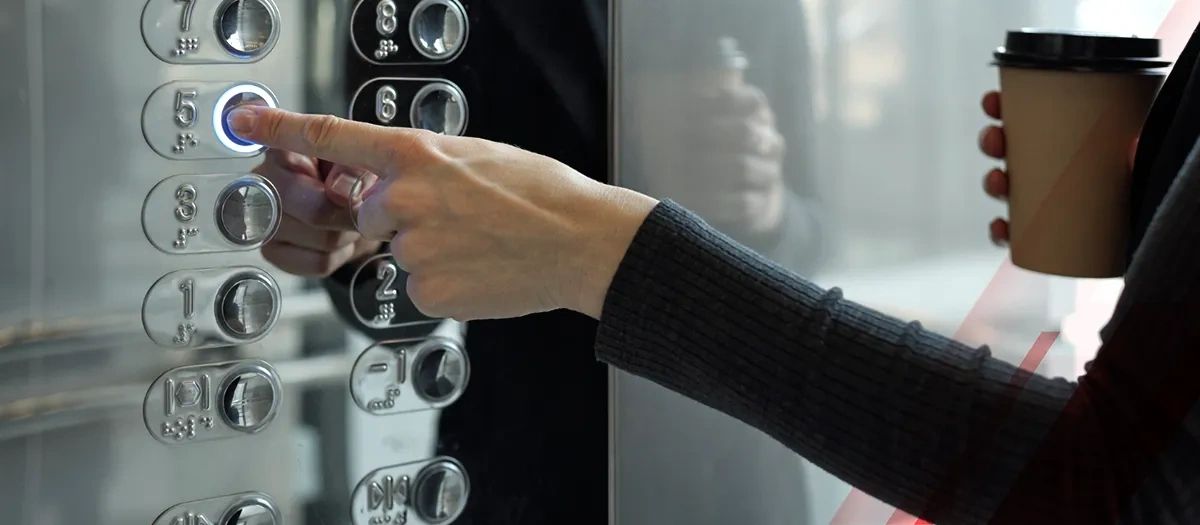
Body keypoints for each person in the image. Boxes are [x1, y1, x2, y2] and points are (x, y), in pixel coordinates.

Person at [235, 20, 1200, 525]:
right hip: (533, 469)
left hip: (742, 456)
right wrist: (348, 235)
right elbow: (389, 261)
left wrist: (750, 209)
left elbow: (1120, 488)